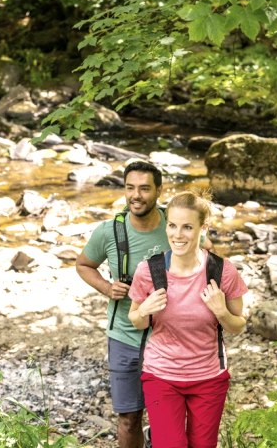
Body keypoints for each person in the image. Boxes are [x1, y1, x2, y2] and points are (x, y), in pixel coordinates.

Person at [128, 191, 248, 448]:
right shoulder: (149, 270)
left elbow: (239, 325)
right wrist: (144, 310)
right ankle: (159, 438)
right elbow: (135, 321)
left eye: (187, 227)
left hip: (209, 377)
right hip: (161, 374)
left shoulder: (221, 271)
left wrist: (222, 312)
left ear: (203, 228)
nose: (177, 235)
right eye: (172, 225)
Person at [76, 160, 169, 448]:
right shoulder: (109, 231)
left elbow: (205, 257)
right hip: (124, 336)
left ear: (158, 191)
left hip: (170, 337)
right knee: (129, 417)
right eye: (130, 188)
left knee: (167, 415)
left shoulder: (177, 223)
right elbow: (83, 265)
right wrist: (107, 287)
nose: (135, 195)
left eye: (144, 188)